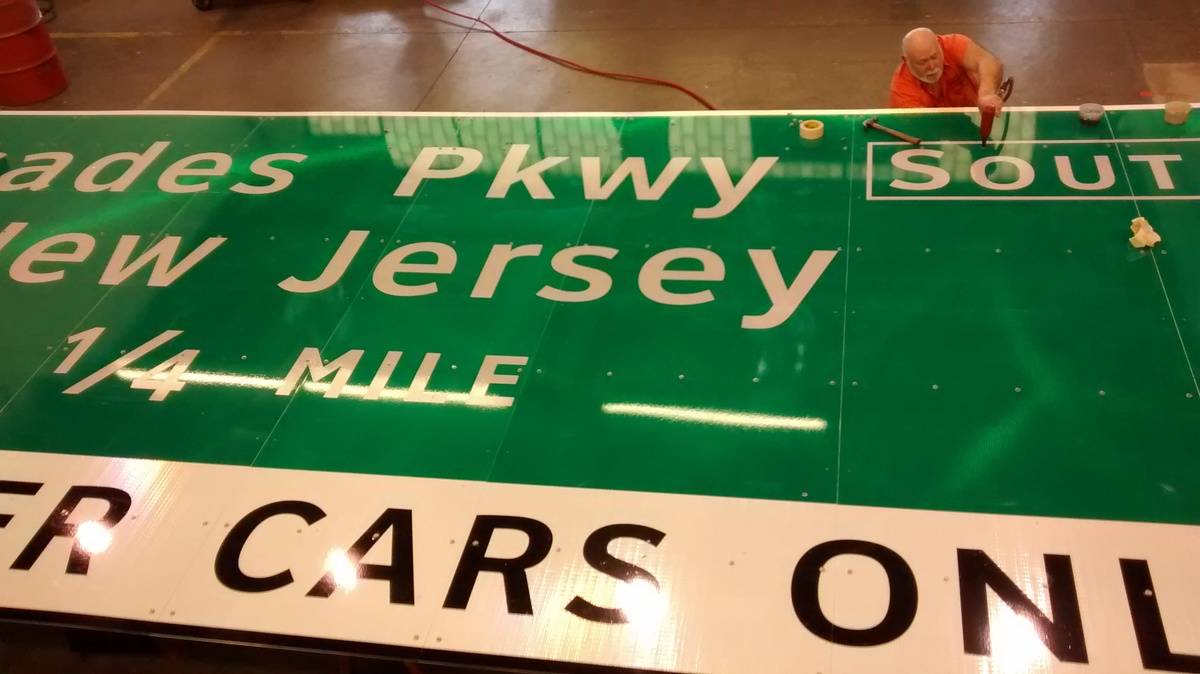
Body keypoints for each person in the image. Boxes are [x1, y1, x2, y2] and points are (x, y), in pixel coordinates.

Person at [889, 28, 1005, 115]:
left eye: (934, 57)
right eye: (922, 62)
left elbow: (987, 61)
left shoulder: (953, 44)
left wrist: (987, 94)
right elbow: (923, 128)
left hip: (975, 114)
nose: (931, 66)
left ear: (939, 45)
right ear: (906, 61)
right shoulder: (902, 92)